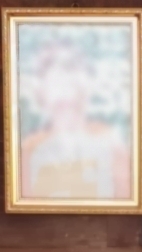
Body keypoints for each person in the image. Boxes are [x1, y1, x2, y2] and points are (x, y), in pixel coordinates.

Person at [18, 44, 132, 202]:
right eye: (57, 84)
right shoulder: (29, 150)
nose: (66, 103)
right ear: (41, 94)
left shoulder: (111, 143)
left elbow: (125, 201)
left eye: (71, 84)